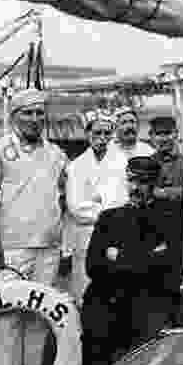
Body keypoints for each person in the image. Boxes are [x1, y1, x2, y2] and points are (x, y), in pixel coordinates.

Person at [0, 88, 69, 365]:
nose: (34, 119)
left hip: (49, 251)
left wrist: (64, 244)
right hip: (12, 252)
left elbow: (68, 200)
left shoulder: (57, 155)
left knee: (39, 324)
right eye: (27, 113)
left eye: (40, 113)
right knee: (5, 324)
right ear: (14, 116)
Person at [82, 156, 183, 365]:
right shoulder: (109, 217)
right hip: (108, 304)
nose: (135, 188)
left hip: (148, 304)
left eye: (143, 182)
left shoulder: (170, 218)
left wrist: (119, 257)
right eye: (131, 180)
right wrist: (146, 257)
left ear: (155, 183)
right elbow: (93, 267)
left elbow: (169, 267)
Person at [64, 110, 118, 307]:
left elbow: (124, 200)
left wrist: (99, 203)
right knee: (84, 286)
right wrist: (108, 210)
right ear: (88, 134)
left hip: (116, 234)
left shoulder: (121, 163)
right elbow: (76, 207)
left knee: (114, 288)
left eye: (106, 134)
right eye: (97, 133)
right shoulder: (77, 166)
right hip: (86, 234)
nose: (102, 139)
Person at [104, 106, 156, 207]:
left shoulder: (149, 151)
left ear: (138, 126)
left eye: (132, 122)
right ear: (116, 128)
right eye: (124, 123)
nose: (129, 126)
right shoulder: (106, 152)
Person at [149, 115, 183, 202]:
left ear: (176, 134)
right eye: (158, 134)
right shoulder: (148, 163)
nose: (163, 139)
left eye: (167, 133)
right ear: (151, 136)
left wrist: (163, 192)